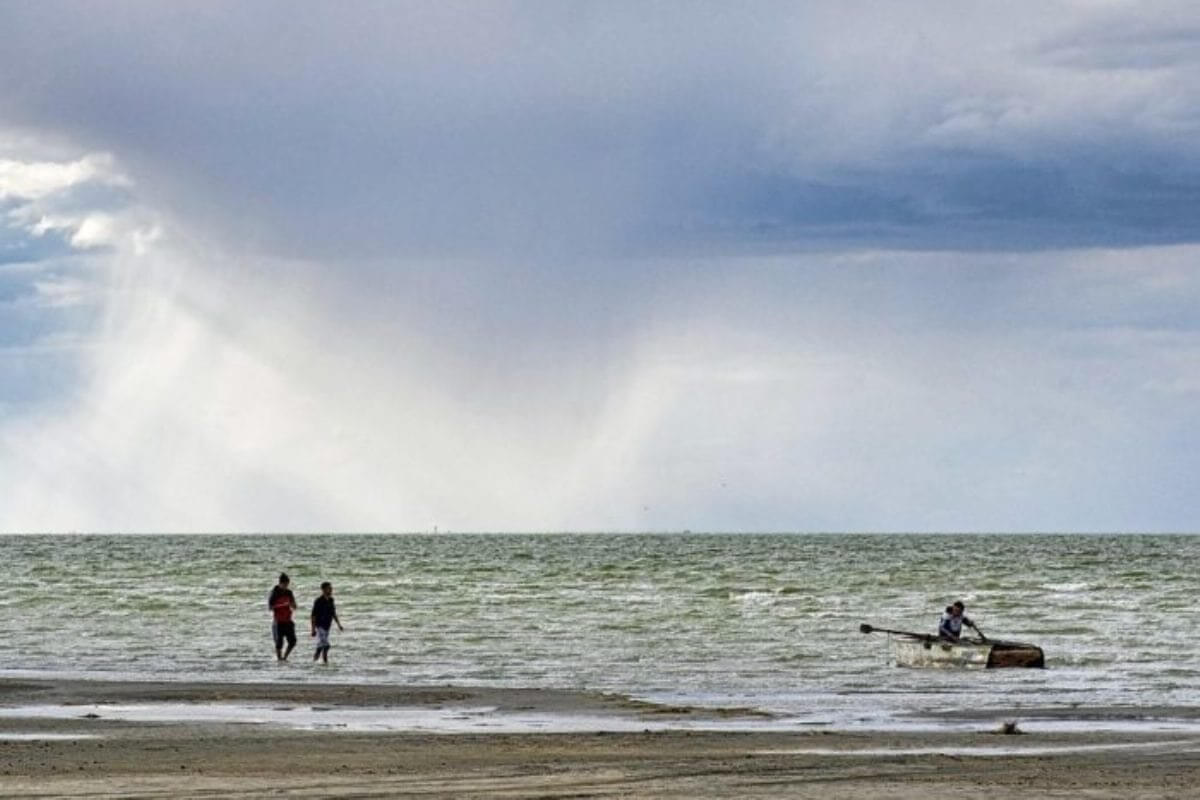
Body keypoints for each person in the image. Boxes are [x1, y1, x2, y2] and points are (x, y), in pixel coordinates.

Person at [310, 581, 344, 664]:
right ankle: (325, 661)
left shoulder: (331, 600)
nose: (331, 590)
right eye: (329, 588)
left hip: (327, 626)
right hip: (320, 626)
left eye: (331, 588)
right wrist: (313, 629)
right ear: (324, 590)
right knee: (326, 645)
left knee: (321, 646)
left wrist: (339, 624)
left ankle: (316, 661)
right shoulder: (318, 601)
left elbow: (333, 613)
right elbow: (313, 615)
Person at [268, 573, 298, 661]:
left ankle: (285, 657)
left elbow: (294, 606)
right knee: (279, 643)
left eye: (287, 584)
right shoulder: (274, 593)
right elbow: (270, 607)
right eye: (284, 584)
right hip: (278, 621)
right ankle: (279, 658)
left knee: (293, 642)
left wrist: (293, 605)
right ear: (280, 583)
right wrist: (282, 605)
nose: (286, 586)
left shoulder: (289, 593)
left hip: (288, 620)